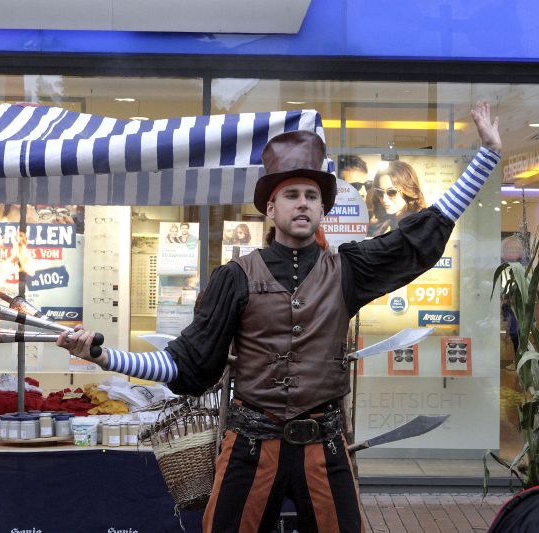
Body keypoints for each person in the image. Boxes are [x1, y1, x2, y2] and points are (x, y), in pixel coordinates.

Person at [59, 101, 502, 533]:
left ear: (322, 209)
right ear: (271, 209)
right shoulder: (234, 277)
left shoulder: (349, 270)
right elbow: (186, 363)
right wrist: (103, 356)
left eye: (311, 196)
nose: (302, 203)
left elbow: (420, 235)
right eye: (291, 195)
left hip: (325, 446)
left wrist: (486, 157)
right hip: (251, 446)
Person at [367, 160, 427, 237]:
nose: (384, 199)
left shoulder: (421, 226)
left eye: (391, 192)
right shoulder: (382, 221)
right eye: (380, 192)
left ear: (408, 190)